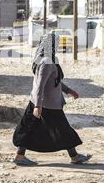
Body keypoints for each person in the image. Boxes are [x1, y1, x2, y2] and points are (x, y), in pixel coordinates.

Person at [12, 33, 92, 166]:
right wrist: (38, 106)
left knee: (30, 128)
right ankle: (75, 156)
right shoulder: (46, 62)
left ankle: (20, 156)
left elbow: (54, 81)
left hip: (41, 102)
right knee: (63, 129)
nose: (58, 45)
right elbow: (40, 85)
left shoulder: (50, 59)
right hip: (46, 105)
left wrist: (68, 91)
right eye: (56, 43)